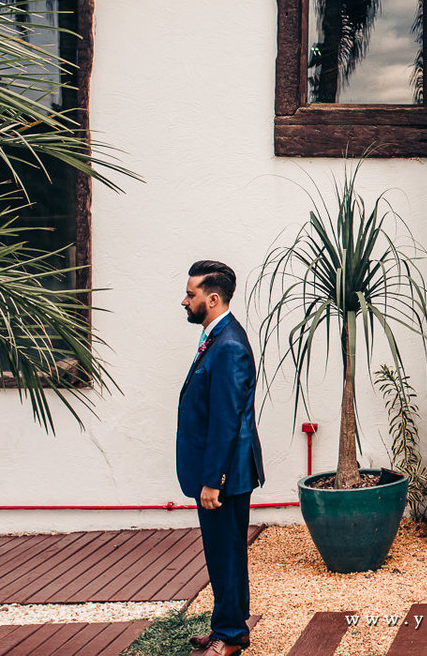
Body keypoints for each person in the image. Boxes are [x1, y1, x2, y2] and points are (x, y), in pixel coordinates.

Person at [178, 260, 265, 655]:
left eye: (191, 294)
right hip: (223, 470)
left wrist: (214, 479)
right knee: (223, 551)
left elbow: (226, 420)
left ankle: (229, 636)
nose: (185, 300)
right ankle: (229, 626)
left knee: (225, 551)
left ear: (213, 299)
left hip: (225, 474)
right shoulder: (219, 336)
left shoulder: (228, 345)